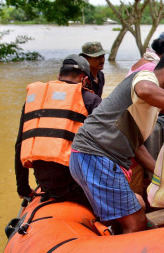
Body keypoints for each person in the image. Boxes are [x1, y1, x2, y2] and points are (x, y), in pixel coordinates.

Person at [69, 50, 164, 234]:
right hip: (96, 156)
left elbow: (135, 145)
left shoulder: (147, 104)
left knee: (137, 207)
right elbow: (145, 89)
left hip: (88, 156)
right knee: (136, 224)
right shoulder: (146, 77)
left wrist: (162, 173)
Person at [15, 55, 102, 206]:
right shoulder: (90, 100)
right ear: (85, 80)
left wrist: (23, 188)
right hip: (76, 185)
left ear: (59, 76)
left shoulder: (33, 100)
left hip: (45, 183)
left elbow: (20, 145)